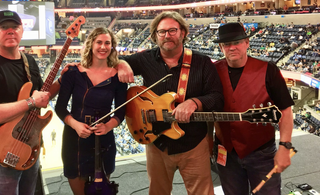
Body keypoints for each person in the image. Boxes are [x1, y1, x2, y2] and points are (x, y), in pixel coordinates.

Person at [116, 11, 224, 195]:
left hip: (193, 144)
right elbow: (111, 61)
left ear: (183, 33)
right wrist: (121, 63)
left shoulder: (202, 62)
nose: (167, 35)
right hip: (157, 144)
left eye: (173, 30)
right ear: (155, 36)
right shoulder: (145, 58)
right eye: (162, 32)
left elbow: (217, 97)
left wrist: (195, 102)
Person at [0, 10, 60, 195]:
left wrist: (63, 80)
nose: (10, 31)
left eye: (15, 27)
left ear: (22, 31)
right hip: (4, 150)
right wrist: (30, 102)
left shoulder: (30, 62)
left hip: (31, 145)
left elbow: (42, 97)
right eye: (4, 27)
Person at [213, 22, 294, 195]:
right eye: (227, 44)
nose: (232, 47)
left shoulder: (268, 70)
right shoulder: (213, 71)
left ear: (247, 43)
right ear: (221, 47)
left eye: (237, 42)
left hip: (262, 152)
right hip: (226, 153)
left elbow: (285, 110)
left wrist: (285, 146)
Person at [54, 27, 127, 195]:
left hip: (104, 139)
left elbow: (120, 111)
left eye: (107, 43)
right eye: (99, 42)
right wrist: (75, 125)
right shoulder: (73, 73)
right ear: (91, 45)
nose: (103, 47)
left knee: (101, 190)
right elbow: (60, 108)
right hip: (75, 137)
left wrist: (109, 126)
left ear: (112, 46)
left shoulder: (118, 77)